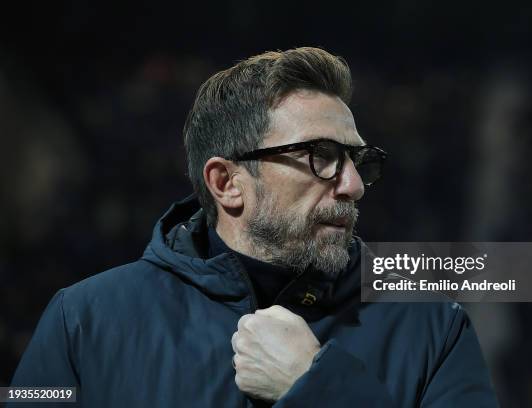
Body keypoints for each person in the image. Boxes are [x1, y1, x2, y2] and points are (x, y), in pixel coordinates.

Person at [10, 47, 498, 407]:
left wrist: (316, 387)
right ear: (227, 183)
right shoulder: (84, 319)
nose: (353, 185)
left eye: (358, 160)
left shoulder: (434, 324)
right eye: (321, 156)